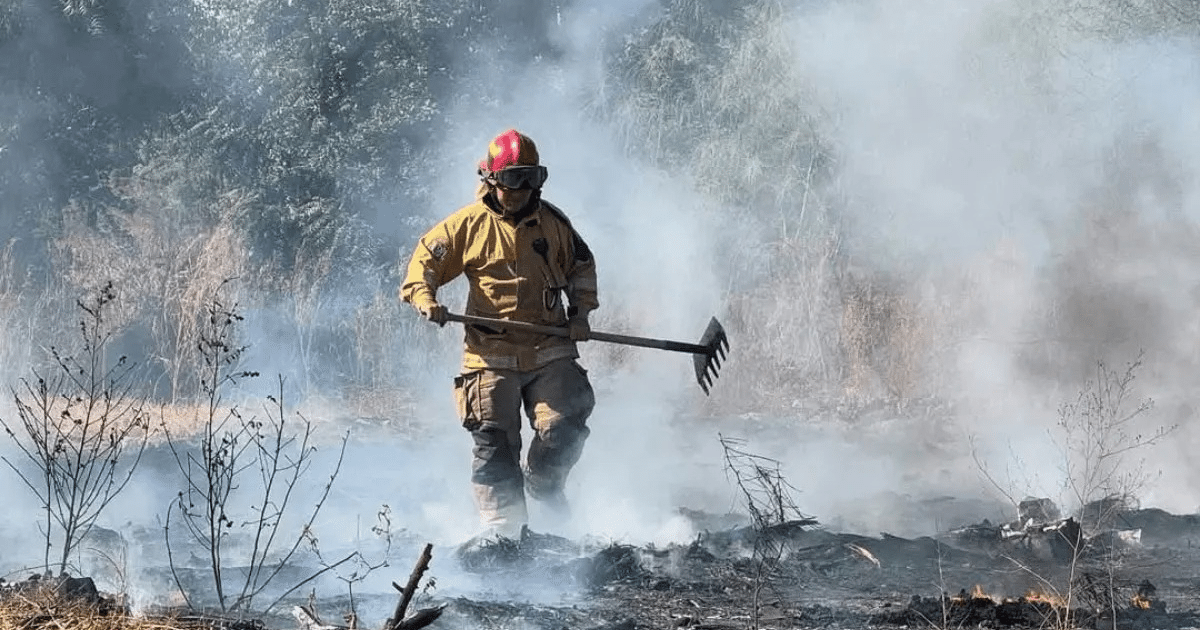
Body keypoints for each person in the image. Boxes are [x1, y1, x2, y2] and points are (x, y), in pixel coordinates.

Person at [400, 129, 598, 540]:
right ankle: (503, 533)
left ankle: (544, 482)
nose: (523, 190)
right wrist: (425, 298)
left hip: (549, 345)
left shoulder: (554, 224)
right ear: (491, 179)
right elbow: (424, 265)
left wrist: (580, 312)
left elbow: (581, 267)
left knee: (566, 423)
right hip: (489, 355)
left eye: (531, 177)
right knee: (494, 444)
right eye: (513, 180)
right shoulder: (467, 226)